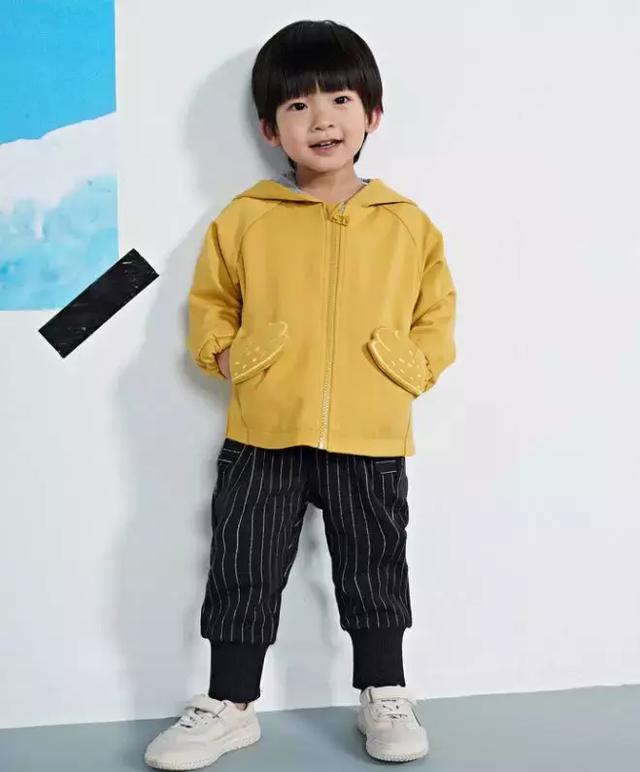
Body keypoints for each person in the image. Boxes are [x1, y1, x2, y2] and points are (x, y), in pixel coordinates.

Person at [144, 18, 456, 769]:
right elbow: (212, 302)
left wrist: (406, 367)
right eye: (298, 105)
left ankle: (385, 691)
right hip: (264, 431)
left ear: (371, 114)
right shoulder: (246, 218)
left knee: (374, 564)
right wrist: (231, 355)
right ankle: (229, 704)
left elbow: (437, 314)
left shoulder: (407, 225)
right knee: (242, 566)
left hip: (370, 431)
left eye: (340, 99)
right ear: (269, 129)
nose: (322, 119)